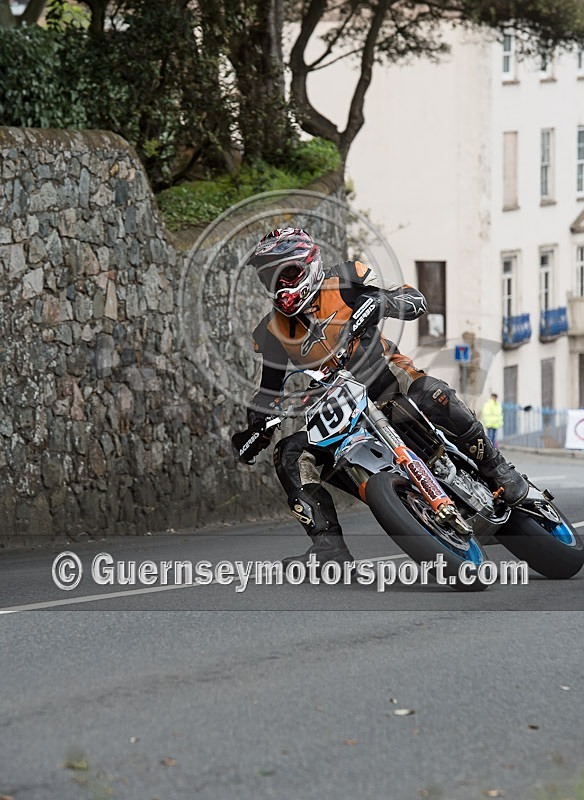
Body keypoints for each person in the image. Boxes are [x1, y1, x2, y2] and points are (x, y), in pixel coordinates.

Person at [231, 227, 528, 566]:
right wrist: (257, 426)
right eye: (271, 279)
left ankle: (497, 467)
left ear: (310, 265)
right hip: (339, 407)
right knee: (290, 453)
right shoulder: (272, 331)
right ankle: (329, 548)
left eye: (288, 273)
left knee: (431, 393)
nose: (281, 286)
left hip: (387, 378)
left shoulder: (345, 279)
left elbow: (415, 299)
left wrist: (381, 301)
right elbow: (268, 390)